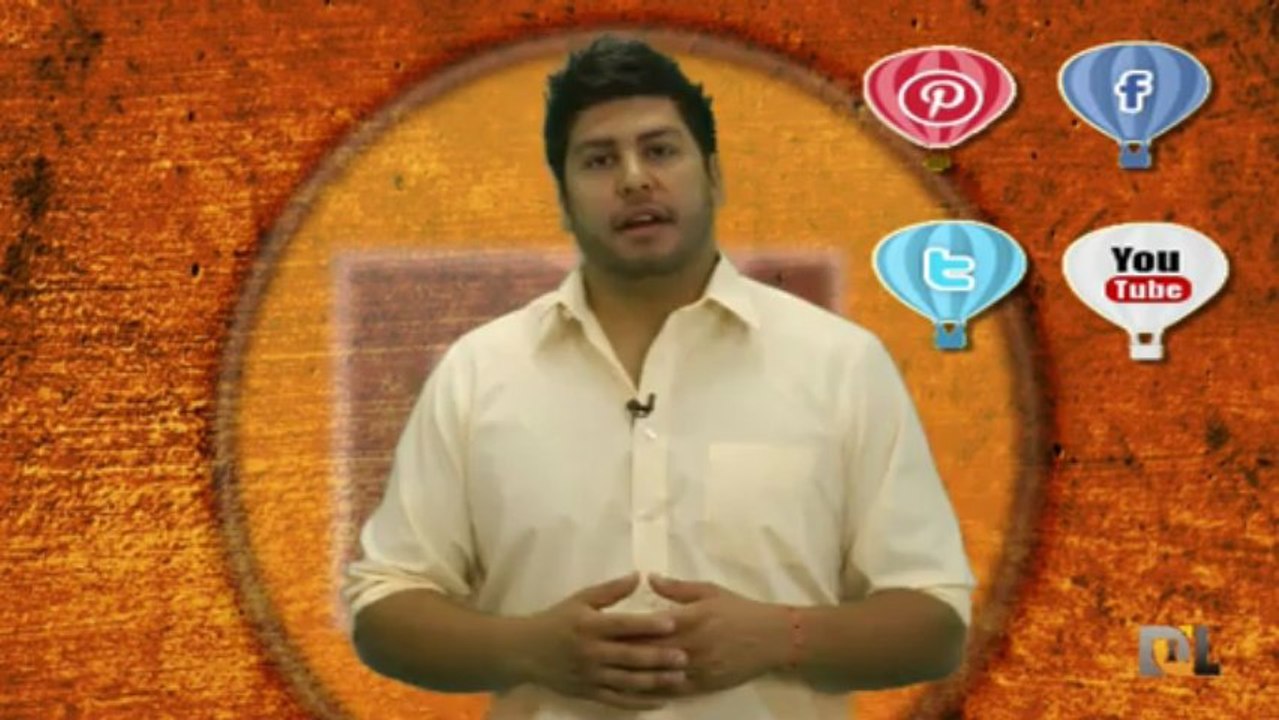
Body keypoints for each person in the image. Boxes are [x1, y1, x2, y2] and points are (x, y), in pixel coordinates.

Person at [342, 34, 977, 719]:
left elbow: (934, 623)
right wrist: (526, 649)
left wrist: (781, 637)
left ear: (714, 175)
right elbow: (384, 606)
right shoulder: (477, 372)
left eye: (660, 150)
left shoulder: (840, 363)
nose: (634, 179)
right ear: (562, 201)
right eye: (598, 160)